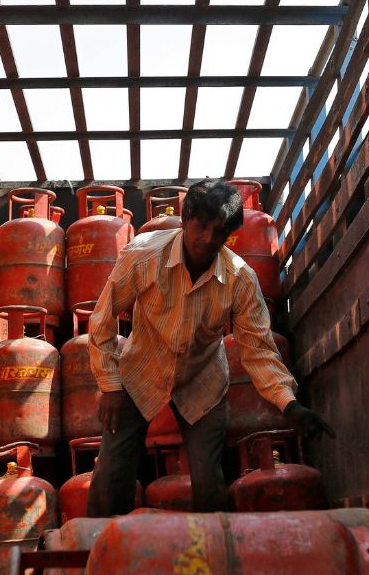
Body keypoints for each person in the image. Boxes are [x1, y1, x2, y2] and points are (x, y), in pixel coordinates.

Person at [85, 179, 333, 516]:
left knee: (208, 479)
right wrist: (110, 386)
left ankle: (213, 555)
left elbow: (258, 348)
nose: (207, 239)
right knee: (112, 474)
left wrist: (289, 404)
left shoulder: (240, 278)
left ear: (229, 234)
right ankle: (98, 549)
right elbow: (102, 319)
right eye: (201, 226)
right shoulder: (143, 256)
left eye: (219, 232)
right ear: (186, 220)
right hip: (142, 370)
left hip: (202, 379)